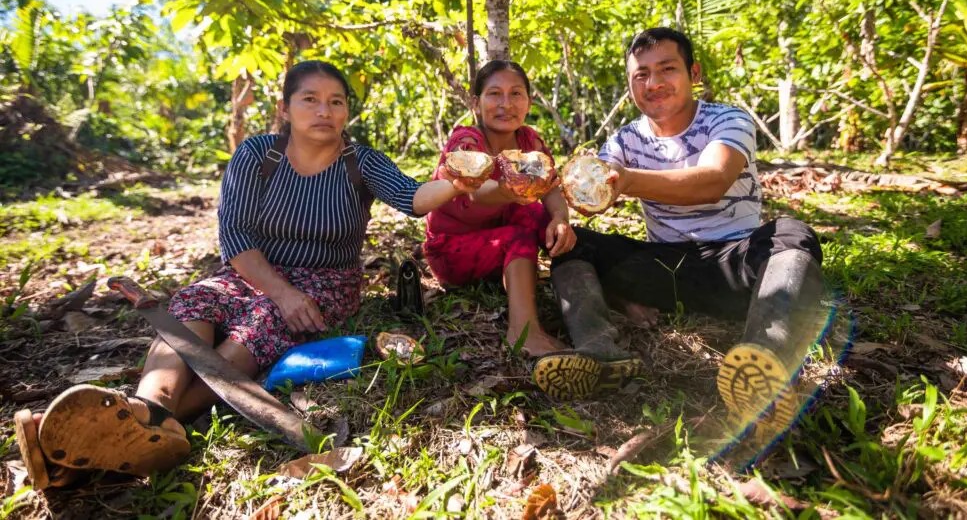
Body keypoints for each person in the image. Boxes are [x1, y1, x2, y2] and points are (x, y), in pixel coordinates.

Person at [15, 60, 479, 488]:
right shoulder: (258, 154)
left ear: (346, 112)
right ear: (285, 108)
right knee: (194, 301)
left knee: (258, 325)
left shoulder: (362, 162)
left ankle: (125, 430)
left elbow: (412, 198)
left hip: (325, 280)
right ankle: (146, 410)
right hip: (250, 270)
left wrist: (461, 181)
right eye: (310, 99)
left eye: (336, 101)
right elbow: (235, 236)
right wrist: (279, 291)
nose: (325, 110)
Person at [534, 28, 831, 439]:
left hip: (738, 268)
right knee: (572, 243)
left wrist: (626, 182)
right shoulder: (624, 139)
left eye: (667, 69)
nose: (654, 84)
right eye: (641, 75)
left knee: (791, 234)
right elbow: (588, 185)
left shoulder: (727, 119)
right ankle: (600, 354)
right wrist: (556, 209)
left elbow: (711, 180)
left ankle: (767, 360)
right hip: (665, 269)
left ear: (693, 73)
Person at [422, 60, 577, 357]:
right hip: (452, 251)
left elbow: (550, 187)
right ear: (476, 103)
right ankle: (524, 333)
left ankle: (597, 298)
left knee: (551, 224)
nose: (506, 104)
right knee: (519, 233)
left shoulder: (529, 141)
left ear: (529, 102)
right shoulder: (466, 141)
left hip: (499, 232)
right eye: (495, 94)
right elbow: (475, 192)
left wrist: (559, 217)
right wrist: (510, 190)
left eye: (516, 94)